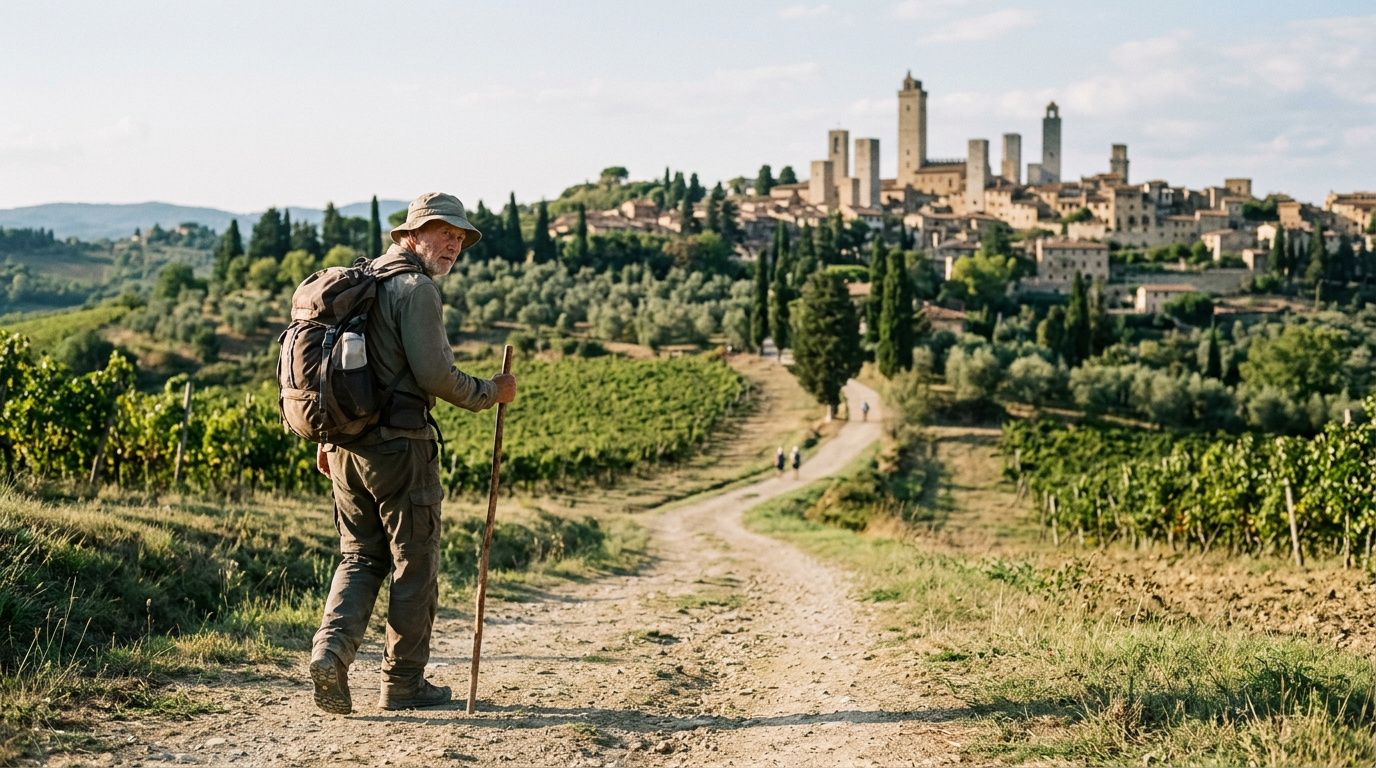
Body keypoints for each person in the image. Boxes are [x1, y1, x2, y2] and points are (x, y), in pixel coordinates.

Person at [308, 192, 517, 715]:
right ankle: (402, 683)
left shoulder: (361, 282)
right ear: (410, 235)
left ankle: (330, 653)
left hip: (346, 448)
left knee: (359, 556)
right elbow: (434, 376)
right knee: (414, 565)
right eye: (443, 231)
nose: (454, 244)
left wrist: (330, 440)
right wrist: (492, 392)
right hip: (401, 449)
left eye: (460, 237)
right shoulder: (415, 289)